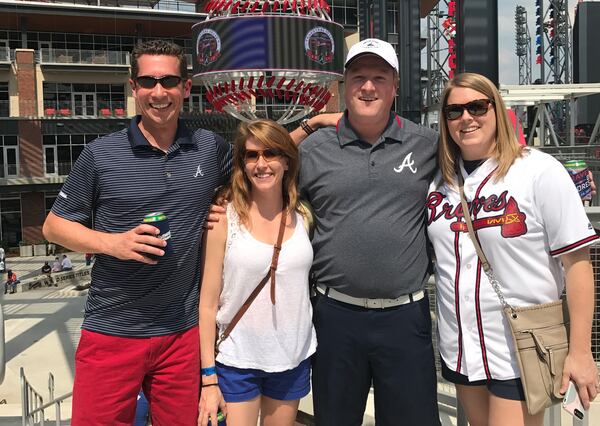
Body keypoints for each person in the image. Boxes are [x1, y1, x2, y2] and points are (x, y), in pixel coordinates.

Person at [42, 40, 232, 425]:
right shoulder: (100, 154)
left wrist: (316, 124)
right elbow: (54, 225)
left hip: (181, 334)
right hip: (112, 331)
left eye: (169, 81)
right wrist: (112, 242)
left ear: (186, 87)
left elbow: (264, 164)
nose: (158, 92)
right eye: (148, 81)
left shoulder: (210, 148)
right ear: (134, 88)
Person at [426, 72, 599, 426]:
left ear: (497, 110)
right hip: (460, 346)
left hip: (522, 346)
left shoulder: (538, 170)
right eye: (454, 111)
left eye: (477, 106)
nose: (466, 118)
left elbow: (577, 263)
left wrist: (581, 351)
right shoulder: (439, 181)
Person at [297, 38, 440, 425]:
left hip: (404, 316)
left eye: (379, 77)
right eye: (358, 77)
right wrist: (308, 124)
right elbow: (259, 171)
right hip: (334, 315)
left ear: (395, 85)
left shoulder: (428, 144)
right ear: (344, 85)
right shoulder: (314, 150)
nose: (368, 87)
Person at [198, 120, 316, 426]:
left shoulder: (302, 215)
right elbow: (208, 304)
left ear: (287, 161)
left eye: (271, 153)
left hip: (292, 355)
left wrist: (316, 122)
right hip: (239, 358)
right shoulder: (225, 217)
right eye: (252, 156)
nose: (261, 164)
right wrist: (208, 378)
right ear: (242, 164)